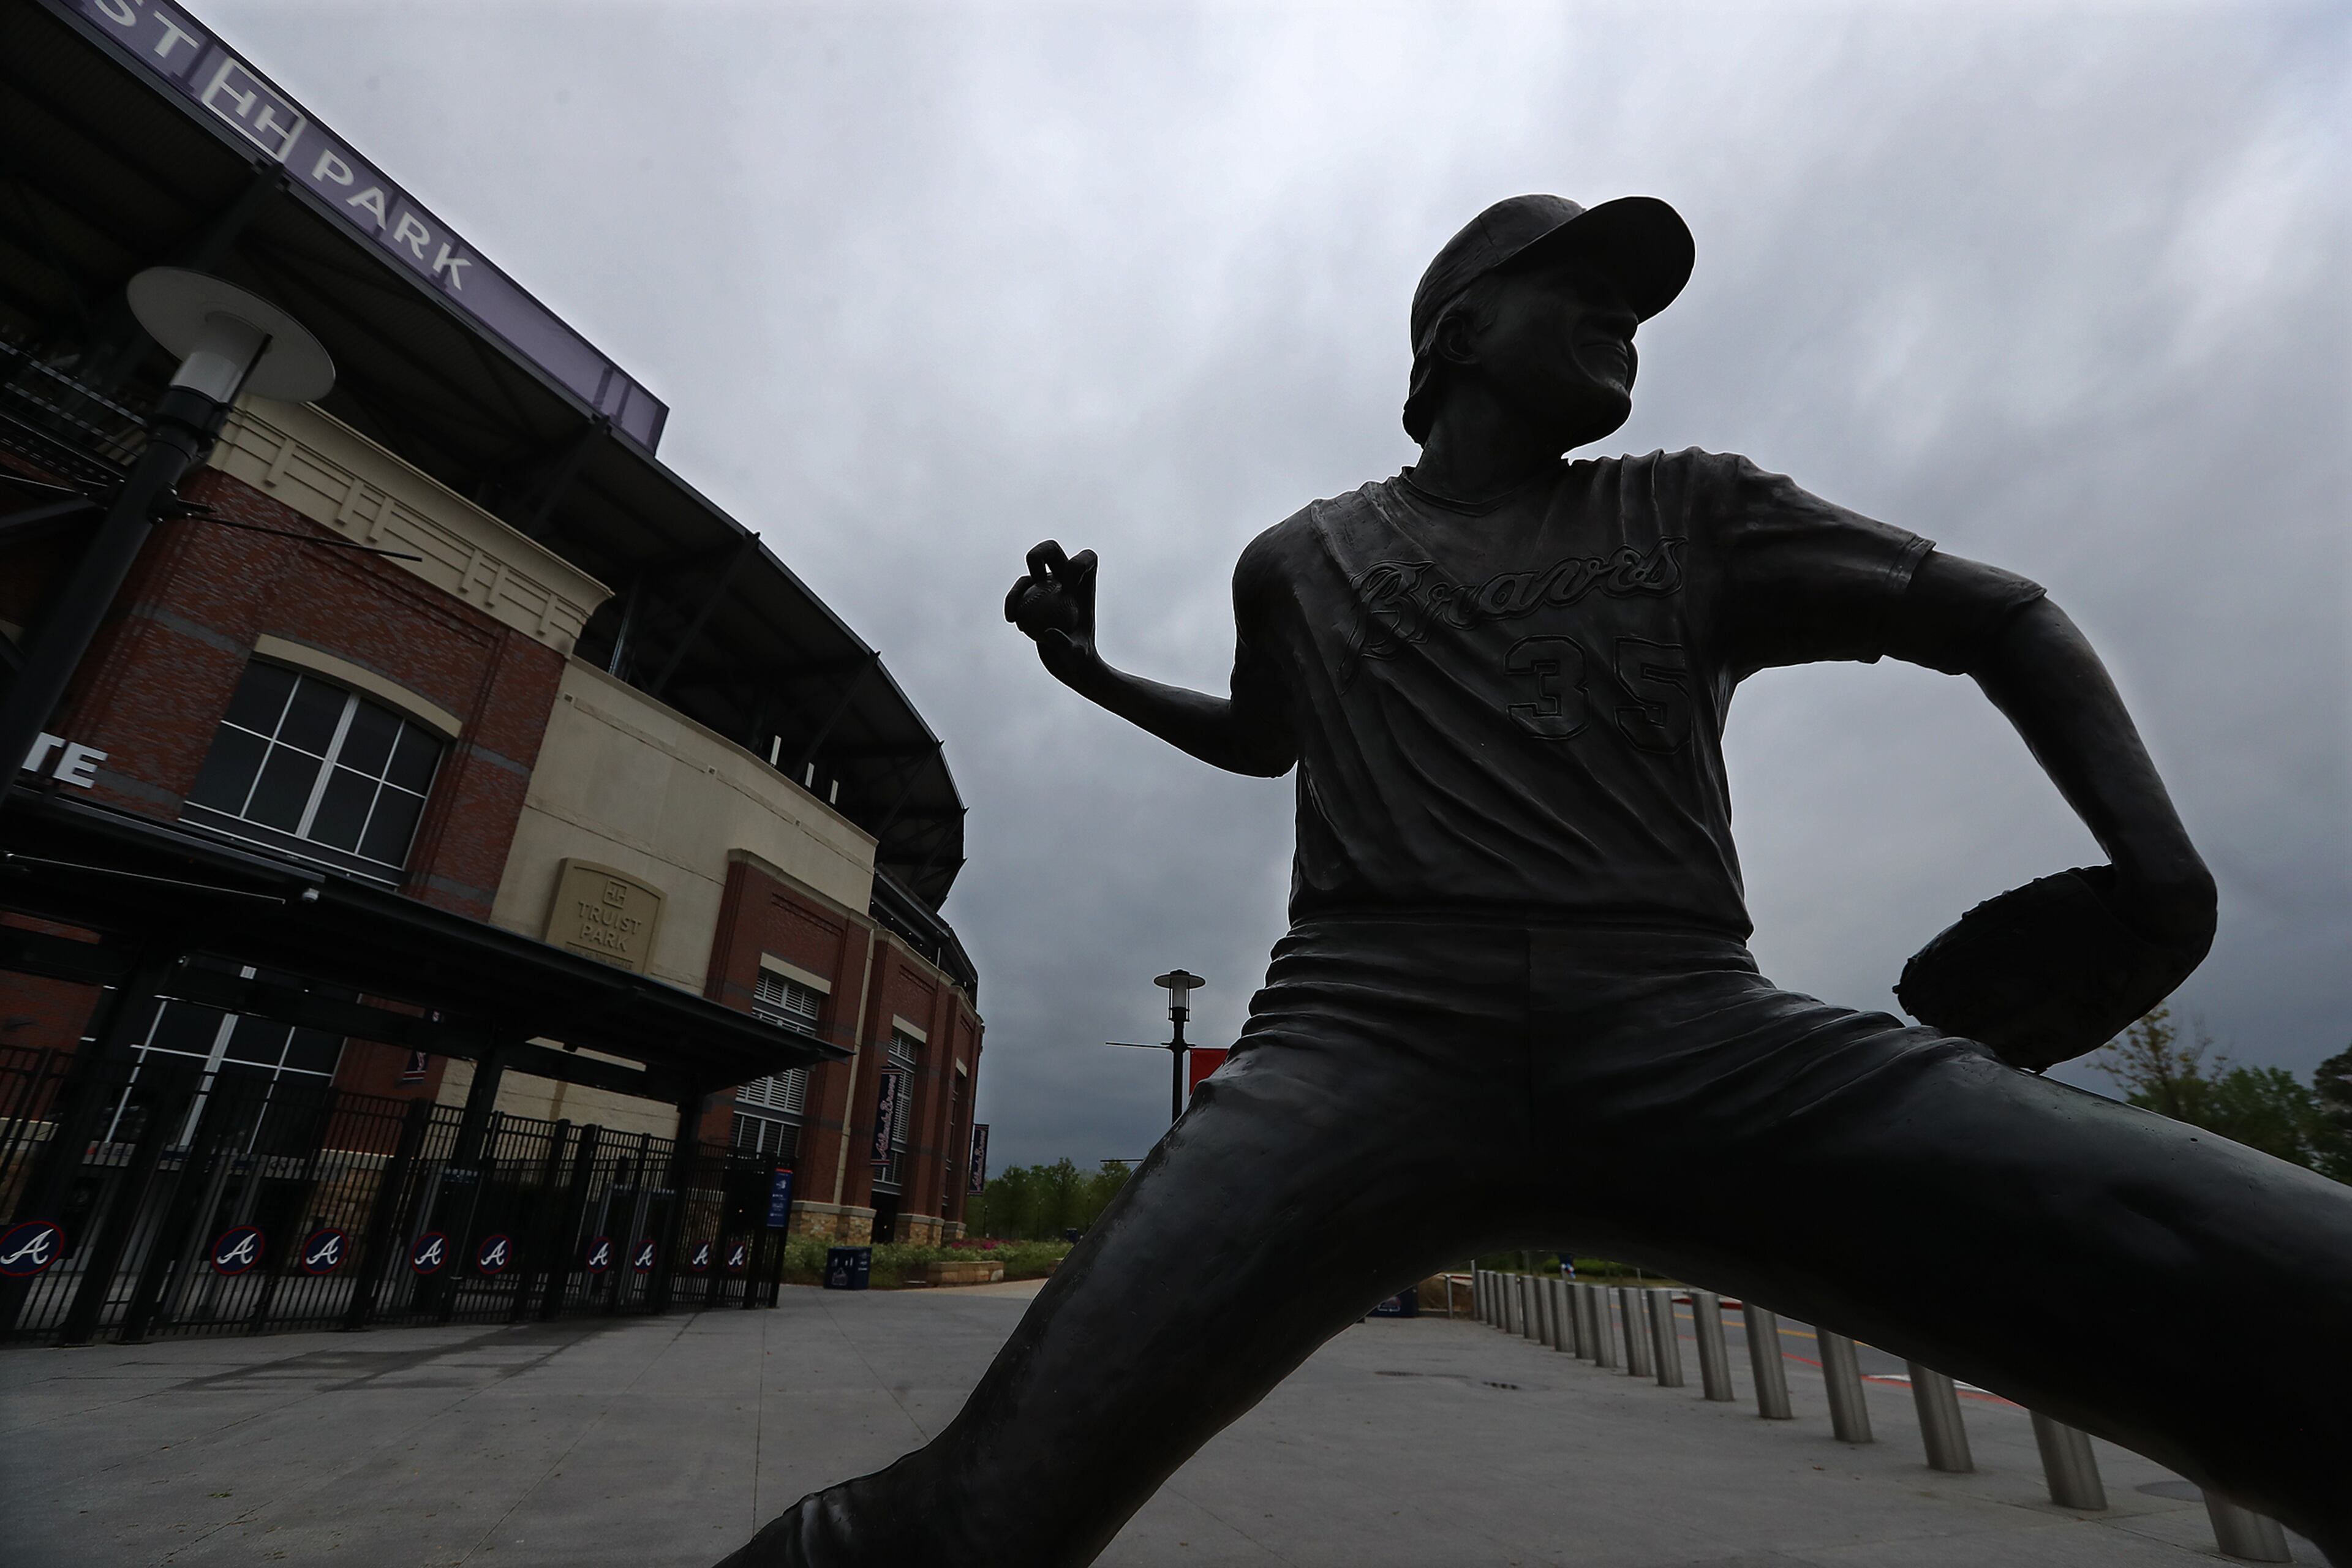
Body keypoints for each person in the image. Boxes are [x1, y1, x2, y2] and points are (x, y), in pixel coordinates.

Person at [722, 195, 2352, 1567]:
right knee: (966, 1527)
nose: (1623, 321)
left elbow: (2002, 617)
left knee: (2300, 1295)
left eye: (1634, 304)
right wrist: (1088, 675)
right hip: (1362, 1046)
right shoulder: (1300, 558)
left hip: (1694, 1032)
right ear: (1455, 333)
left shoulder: (1697, 508)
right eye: (1579, 289)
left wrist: (2165, 891)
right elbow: (1264, 740)